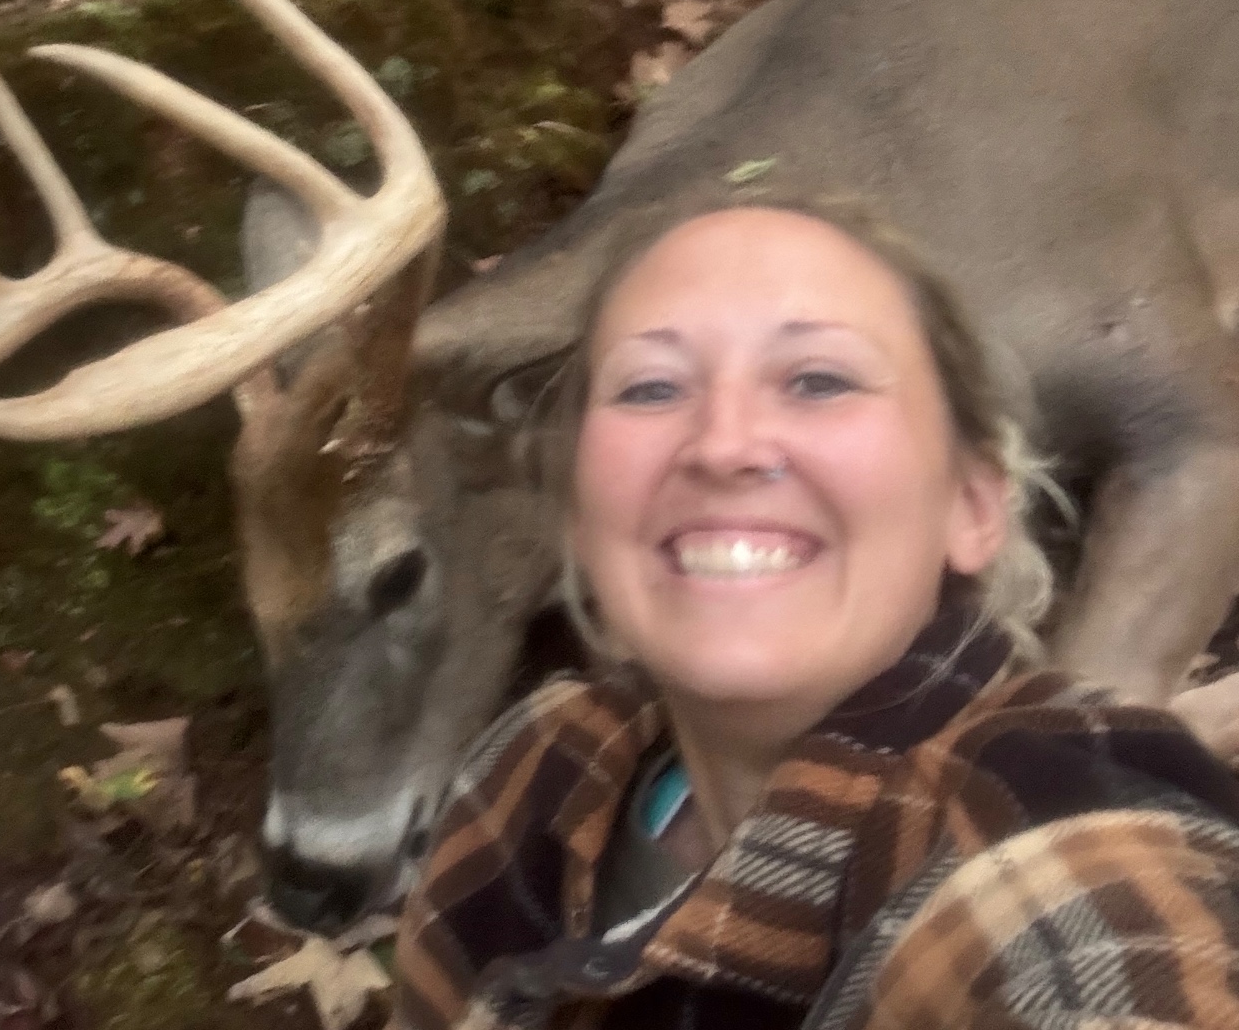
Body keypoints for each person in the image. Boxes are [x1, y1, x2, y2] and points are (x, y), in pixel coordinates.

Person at [393, 192, 1239, 1030]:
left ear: (975, 503)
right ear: (579, 515)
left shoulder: (1068, 854)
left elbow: (1111, 946)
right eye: (651, 388)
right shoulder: (536, 769)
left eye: (819, 380)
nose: (724, 445)